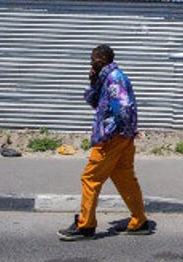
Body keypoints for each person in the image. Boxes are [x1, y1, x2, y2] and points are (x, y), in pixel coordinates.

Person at [57, 44, 149, 241]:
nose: (91, 62)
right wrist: (92, 81)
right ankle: (139, 221)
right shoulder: (105, 78)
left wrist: (114, 133)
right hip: (121, 137)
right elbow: (94, 103)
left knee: (90, 178)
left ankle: (86, 225)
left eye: (94, 59)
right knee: (124, 178)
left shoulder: (114, 78)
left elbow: (124, 108)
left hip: (112, 139)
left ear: (103, 59)